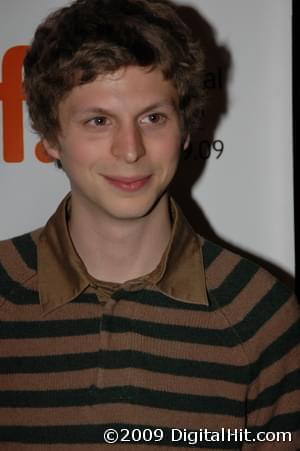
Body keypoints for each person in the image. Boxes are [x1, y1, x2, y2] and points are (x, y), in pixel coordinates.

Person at [0, 0, 299, 449]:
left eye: (152, 118)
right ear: (50, 137)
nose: (130, 149)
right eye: (99, 120)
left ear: (184, 130)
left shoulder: (258, 310)